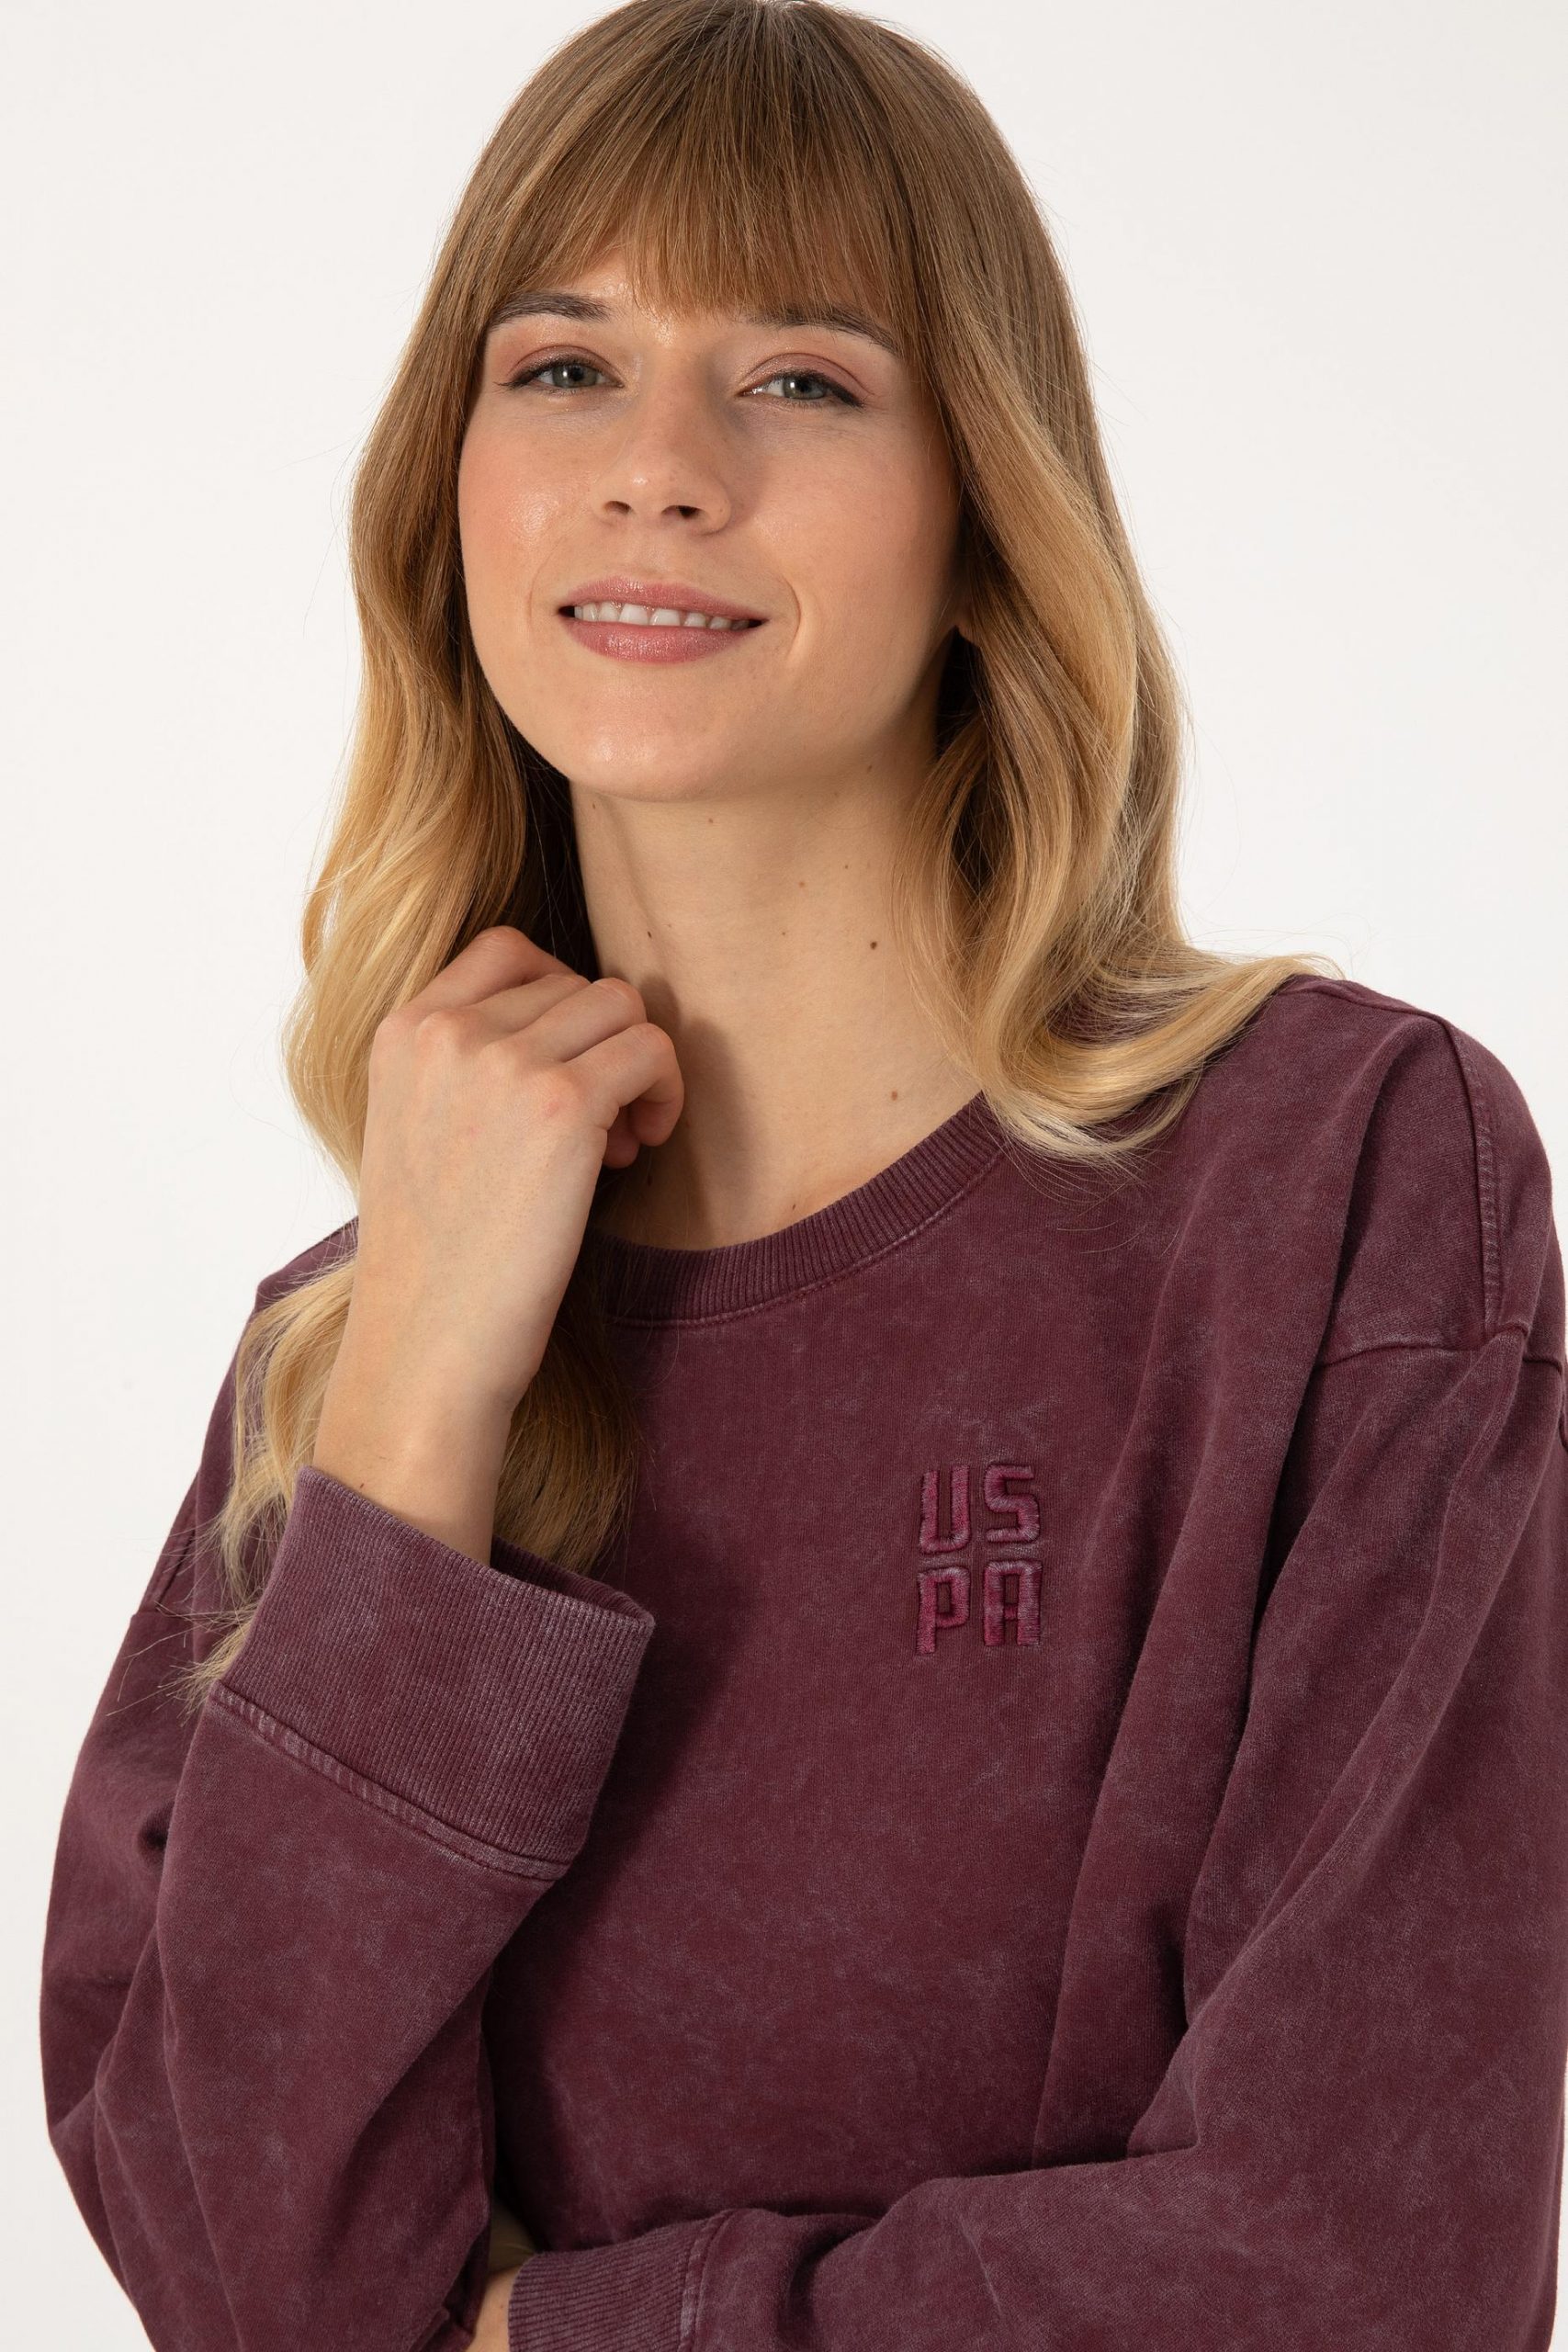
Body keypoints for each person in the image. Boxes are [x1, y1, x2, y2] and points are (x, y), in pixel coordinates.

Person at [39, 1, 1568, 2346]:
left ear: (979, 512)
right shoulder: (350, 1342)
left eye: (798, 377)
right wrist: (420, 1399)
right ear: (447, 490)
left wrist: (557, 2332)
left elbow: (1362, 2262)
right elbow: (244, 2278)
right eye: (563, 366)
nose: (658, 468)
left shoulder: (1334, 1183)